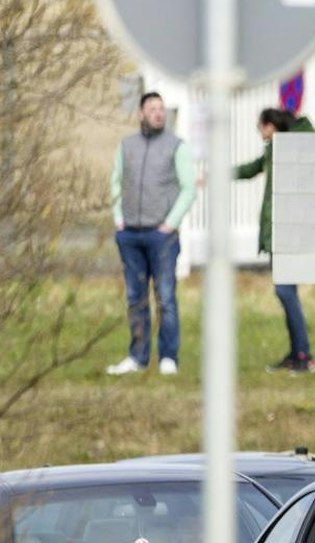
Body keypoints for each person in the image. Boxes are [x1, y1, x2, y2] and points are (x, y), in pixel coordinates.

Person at [107, 92, 196, 377]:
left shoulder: (176, 146)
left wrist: (170, 223)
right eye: (152, 109)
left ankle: (168, 357)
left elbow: (189, 188)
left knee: (166, 297)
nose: (159, 113)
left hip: (162, 236)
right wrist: (119, 219)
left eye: (162, 109)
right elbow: (116, 183)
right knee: (135, 297)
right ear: (141, 113)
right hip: (130, 235)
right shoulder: (127, 146)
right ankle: (138, 356)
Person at [237, 108, 315, 373]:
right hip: (278, 232)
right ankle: (297, 353)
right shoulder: (274, 150)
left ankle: (304, 355)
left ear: (272, 126)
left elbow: (310, 137)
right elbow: (251, 169)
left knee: (285, 292)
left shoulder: (297, 144)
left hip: (291, 231)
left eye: (261, 128)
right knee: (286, 293)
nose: (261, 134)